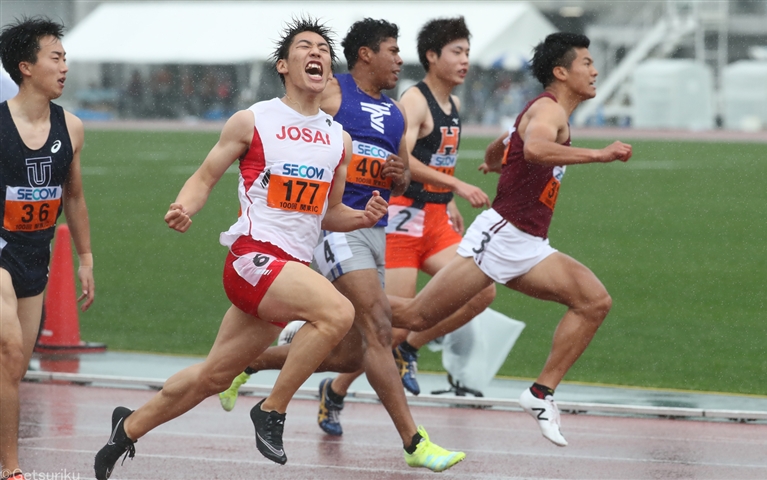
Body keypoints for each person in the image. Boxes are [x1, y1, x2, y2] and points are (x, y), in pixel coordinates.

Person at [92, 18, 389, 479]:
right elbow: (206, 175)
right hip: (253, 257)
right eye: (305, 47)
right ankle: (272, 411)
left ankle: (126, 429)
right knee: (337, 313)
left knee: (214, 377)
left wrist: (362, 217)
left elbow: (327, 214)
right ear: (283, 65)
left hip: (288, 271)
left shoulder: (339, 139)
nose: (317, 54)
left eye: (324, 50)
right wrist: (184, 205)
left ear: (331, 69)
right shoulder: (253, 120)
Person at [216, 18, 465, 473]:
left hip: (373, 229)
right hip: (334, 229)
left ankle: (250, 362)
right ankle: (414, 442)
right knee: (380, 325)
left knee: (354, 351)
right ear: (366, 54)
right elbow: (295, 112)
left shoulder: (394, 111)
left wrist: (399, 175)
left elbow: (405, 171)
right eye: (391, 50)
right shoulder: (334, 91)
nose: (398, 60)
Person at [391, 32, 632, 447]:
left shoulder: (545, 111)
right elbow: (536, 148)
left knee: (594, 302)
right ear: (561, 72)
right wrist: (599, 155)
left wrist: (493, 163)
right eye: (587, 63)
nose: (595, 71)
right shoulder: (548, 111)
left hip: (529, 242)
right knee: (415, 317)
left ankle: (540, 394)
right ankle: (331, 305)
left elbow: (502, 146)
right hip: (503, 237)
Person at [0, 17, 95, 480]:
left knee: (14, 369)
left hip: (37, 256)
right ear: (26, 67)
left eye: (65, 59)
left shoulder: (71, 128)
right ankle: (13, 469)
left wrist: (85, 259)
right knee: (8, 348)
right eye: (55, 58)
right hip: (0, 251)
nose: (64, 68)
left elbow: (73, 197)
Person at [382, 16, 496, 396]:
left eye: (467, 52)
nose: (465, 60)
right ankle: (336, 388)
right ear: (432, 56)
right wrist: (457, 185)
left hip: (436, 217)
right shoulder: (414, 100)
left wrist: (447, 200)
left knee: (481, 291)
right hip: (403, 216)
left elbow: (440, 158)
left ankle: (411, 349)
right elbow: (403, 157)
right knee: (392, 324)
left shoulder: (455, 102)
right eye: (457, 52)